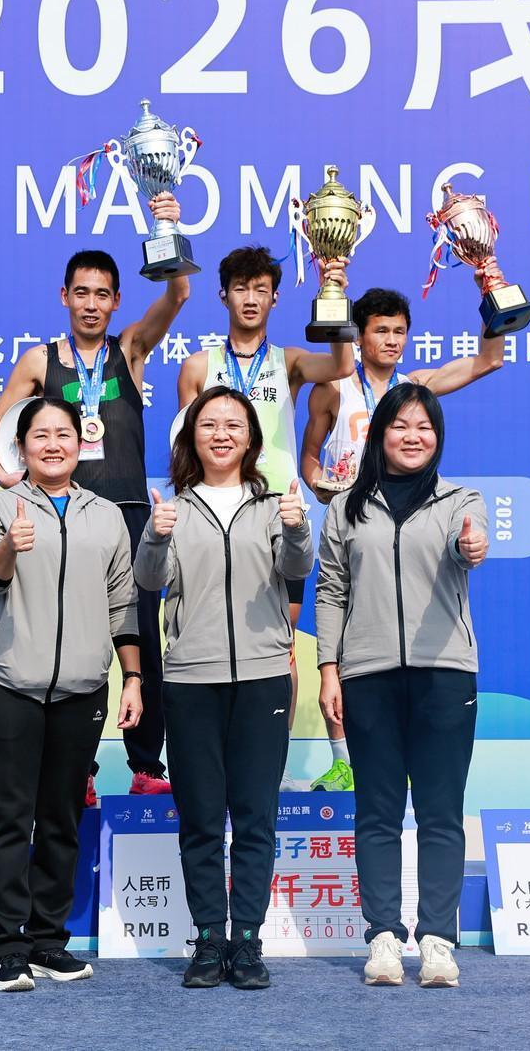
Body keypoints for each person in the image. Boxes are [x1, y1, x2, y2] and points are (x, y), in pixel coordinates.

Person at [0, 194, 188, 800]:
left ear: (116, 300)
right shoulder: (39, 361)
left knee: (139, 639)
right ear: (64, 297)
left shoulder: (131, 350)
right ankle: (81, 772)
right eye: (81, 293)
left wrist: (168, 225)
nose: (91, 304)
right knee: (70, 637)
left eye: (102, 294)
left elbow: (177, 294)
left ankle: (147, 766)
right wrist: (11, 481)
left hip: (128, 517)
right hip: (61, 519)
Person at [134, 386, 314, 991]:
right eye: (208, 424)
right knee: (202, 819)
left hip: (263, 677)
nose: (221, 434)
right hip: (191, 680)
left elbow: (297, 569)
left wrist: (296, 529)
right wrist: (156, 535)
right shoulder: (175, 508)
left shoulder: (273, 506)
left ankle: (249, 941)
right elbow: (150, 581)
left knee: (256, 817)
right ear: (191, 437)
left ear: (252, 439)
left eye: (233, 424)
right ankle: (210, 938)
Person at [0, 398, 144, 992]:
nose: (52, 445)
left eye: (63, 434)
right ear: (22, 446)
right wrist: (10, 545)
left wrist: (133, 677)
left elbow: (123, 604)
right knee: (12, 816)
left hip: (82, 689)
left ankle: (47, 941)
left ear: (81, 442)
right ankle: (8, 946)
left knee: (63, 817)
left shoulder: (106, 516)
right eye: (39, 435)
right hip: (8, 683)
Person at [314, 383, 490, 989]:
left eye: (425, 427)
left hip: (445, 673)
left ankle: (438, 939)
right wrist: (329, 668)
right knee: (377, 812)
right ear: (379, 433)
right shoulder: (346, 508)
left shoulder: (461, 501)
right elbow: (331, 590)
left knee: (441, 813)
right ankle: (383, 937)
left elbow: (470, 545)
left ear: (437, 438)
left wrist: (470, 545)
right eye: (400, 425)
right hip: (368, 675)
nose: (413, 437)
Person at [299, 275, 505, 792]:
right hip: (352, 521)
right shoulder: (332, 389)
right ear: (359, 336)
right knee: (344, 630)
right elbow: (309, 456)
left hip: (409, 520)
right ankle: (343, 760)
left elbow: (488, 361)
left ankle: (404, 757)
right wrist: (322, 486)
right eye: (380, 330)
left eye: (399, 331)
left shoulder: (416, 387)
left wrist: (493, 291)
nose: (391, 341)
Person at [174, 246, 354, 748]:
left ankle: (273, 761)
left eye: (260, 289)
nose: (250, 298)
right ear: (223, 296)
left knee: (280, 646)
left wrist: (335, 293)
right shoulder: (196, 367)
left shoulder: (288, 362)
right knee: (212, 634)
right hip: (214, 515)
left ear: (275, 298)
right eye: (240, 288)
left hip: (278, 515)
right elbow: (185, 448)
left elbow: (342, 365)